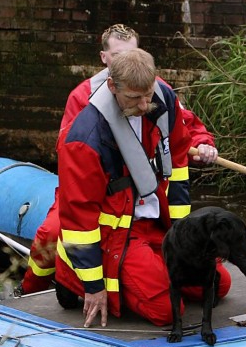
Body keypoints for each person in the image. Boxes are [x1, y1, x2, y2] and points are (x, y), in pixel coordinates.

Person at [20, 23, 217, 293]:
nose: (126, 60)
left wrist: (204, 143)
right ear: (104, 59)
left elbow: (184, 128)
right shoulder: (83, 97)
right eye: (117, 55)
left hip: (145, 188)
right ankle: (31, 288)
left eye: (132, 53)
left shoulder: (155, 90)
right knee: (53, 233)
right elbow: (74, 162)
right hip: (94, 185)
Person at [54, 48, 231, 328]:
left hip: (157, 223)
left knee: (218, 284)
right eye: (134, 98)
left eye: (148, 94)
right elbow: (78, 219)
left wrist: (182, 233)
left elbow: (178, 163)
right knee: (168, 311)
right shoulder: (84, 139)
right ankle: (72, 278)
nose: (144, 104)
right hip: (115, 235)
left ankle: (153, 272)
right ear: (112, 87)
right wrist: (94, 286)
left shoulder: (163, 100)